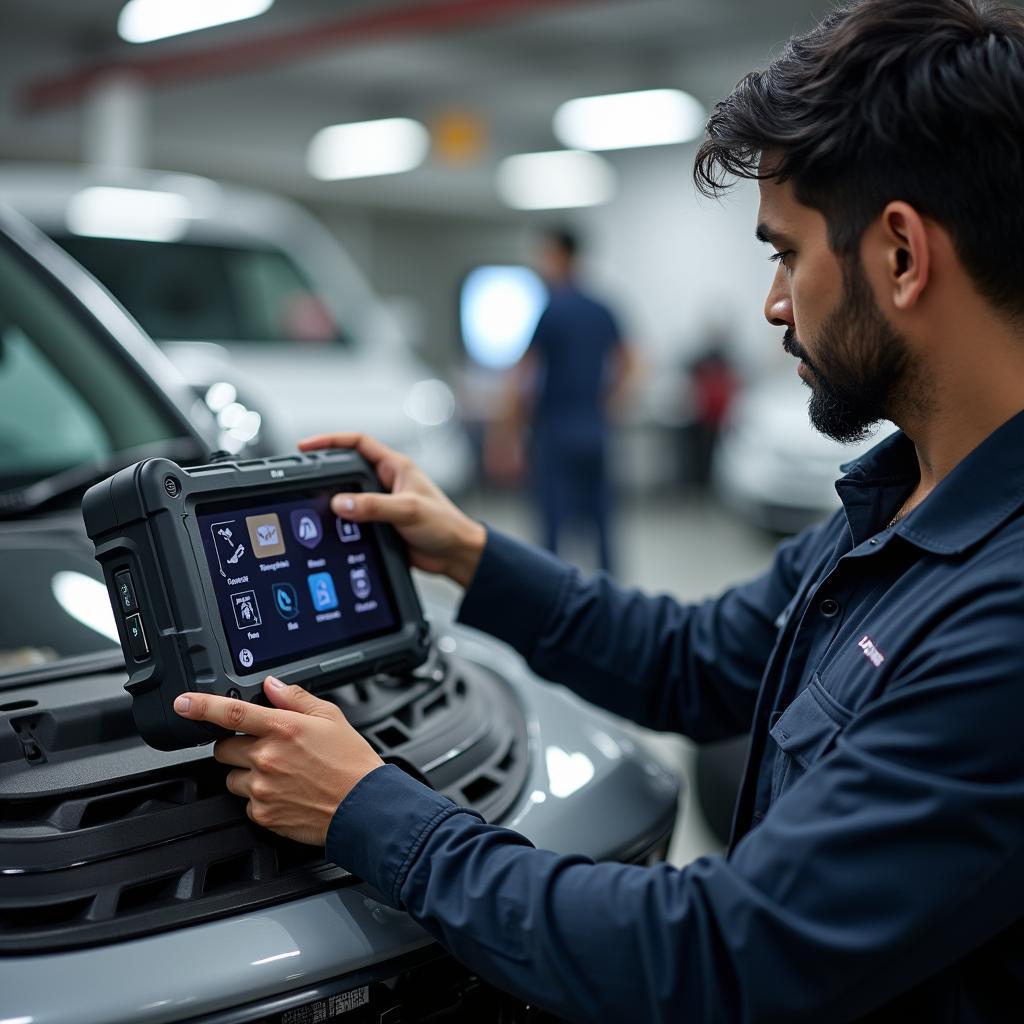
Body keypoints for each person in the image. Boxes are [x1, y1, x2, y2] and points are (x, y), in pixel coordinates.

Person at [173, 1, 1024, 1019]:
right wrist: (471, 555)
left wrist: (368, 809)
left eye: (784, 252)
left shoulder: (1004, 618)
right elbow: (693, 658)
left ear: (898, 256)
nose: (773, 304)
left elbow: (716, 956)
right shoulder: (898, 501)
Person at [486, 228, 635, 574]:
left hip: (555, 434)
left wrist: (504, 436)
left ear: (560, 256)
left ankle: (552, 601)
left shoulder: (551, 311)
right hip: (594, 431)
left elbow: (521, 376)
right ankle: (610, 603)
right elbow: (631, 362)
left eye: (545, 256)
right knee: (601, 525)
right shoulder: (601, 309)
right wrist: (607, 403)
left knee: (551, 528)